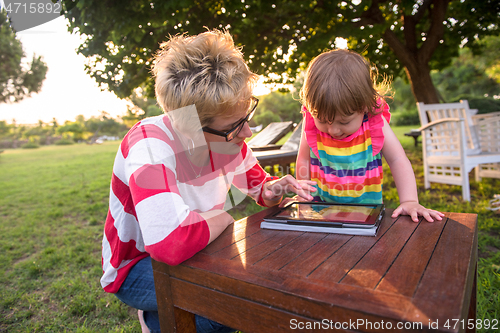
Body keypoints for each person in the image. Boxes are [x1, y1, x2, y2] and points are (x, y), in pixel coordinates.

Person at [100, 30, 316, 333]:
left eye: (247, 115)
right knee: (226, 310)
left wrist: (277, 187)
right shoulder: (148, 143)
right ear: (188, 126)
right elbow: (169, 244)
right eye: (235, 126)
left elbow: (260, 189)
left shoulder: (226, 141)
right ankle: (155, 318)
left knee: (242, 301)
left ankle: (168, 311)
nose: (247, 133)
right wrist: (223, 218)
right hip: (135, 265)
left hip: (199, 248)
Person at [291, 48, 443, 223]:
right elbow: (304, 160)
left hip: (366, 212)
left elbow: (397, 160)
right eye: (323, 121)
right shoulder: (310, 121)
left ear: (364, 106)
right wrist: (304, 198)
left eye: (344, 122)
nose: (333, 130)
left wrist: (409, 201)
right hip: (322, 210)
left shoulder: (374, 123)